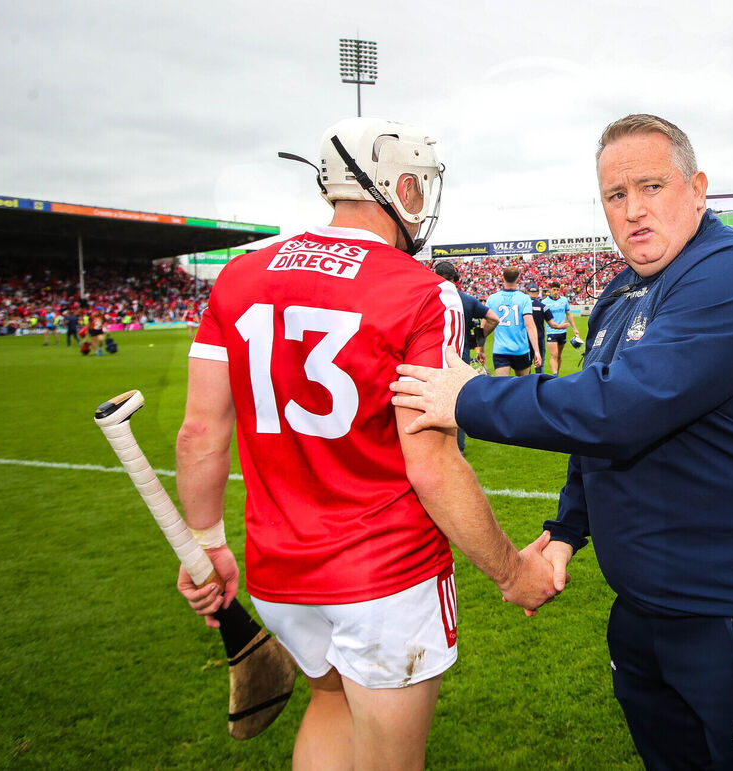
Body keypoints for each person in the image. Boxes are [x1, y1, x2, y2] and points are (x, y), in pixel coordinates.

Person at [392, 114, 733, 770]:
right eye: (615, 194)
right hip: (648, 604)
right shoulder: (621, 292)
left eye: (652, 186)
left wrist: (467, 395)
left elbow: (622, 408)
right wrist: (568, 528)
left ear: (698, 189)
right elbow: (597, 436)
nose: (633, 210)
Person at [174, 118, 555, 769]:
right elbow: (431, 462)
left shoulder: (239, 277)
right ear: (400, 186)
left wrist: (207, 545)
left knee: (329, 705)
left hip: (280, 569)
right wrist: (514, 571)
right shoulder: (422, 290)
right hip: (385, 576)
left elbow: (200, 432)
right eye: (421, 186)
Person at [432, 260, 499, 453]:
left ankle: (437, 445)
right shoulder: (466, 300)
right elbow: (494, 318)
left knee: (433, 400)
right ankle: (458, 447)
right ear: (456, 279)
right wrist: (478, 339)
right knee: (457, 401)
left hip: (433, 357)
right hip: (460, 358)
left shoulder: (428, 298)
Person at [484, 267, 541, 376]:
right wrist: (537, 351)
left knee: (501, 387)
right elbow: (530, 325)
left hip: (501, 350)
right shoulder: (524, 298)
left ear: (502, 278)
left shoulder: (492, 298)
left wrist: (480, 348)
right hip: (520, 349)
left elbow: (484, 325)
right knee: (523, 387)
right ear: (518, 279)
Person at [542, 281, 574, 375]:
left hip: (563, 331)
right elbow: (542, 316)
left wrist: (574, 328)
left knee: (559, 355)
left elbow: (568, 314)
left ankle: (557, 373)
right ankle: (555, 374)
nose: (556, 291)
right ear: (550, 290)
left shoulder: (564, 300)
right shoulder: (545, 302)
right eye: (554, 289)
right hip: (551, 331)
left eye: (557, 290)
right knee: (554, 354)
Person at [525, 282, 558, 374]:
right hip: (539, 338)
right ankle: (538, 384)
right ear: (537, 293)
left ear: (528, 292)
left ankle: (525, 384)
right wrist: (562, 326)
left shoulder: (522, 306)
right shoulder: (543, 306)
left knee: (526, 365)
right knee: (539, 365)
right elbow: (552, 323)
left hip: (525, 338)